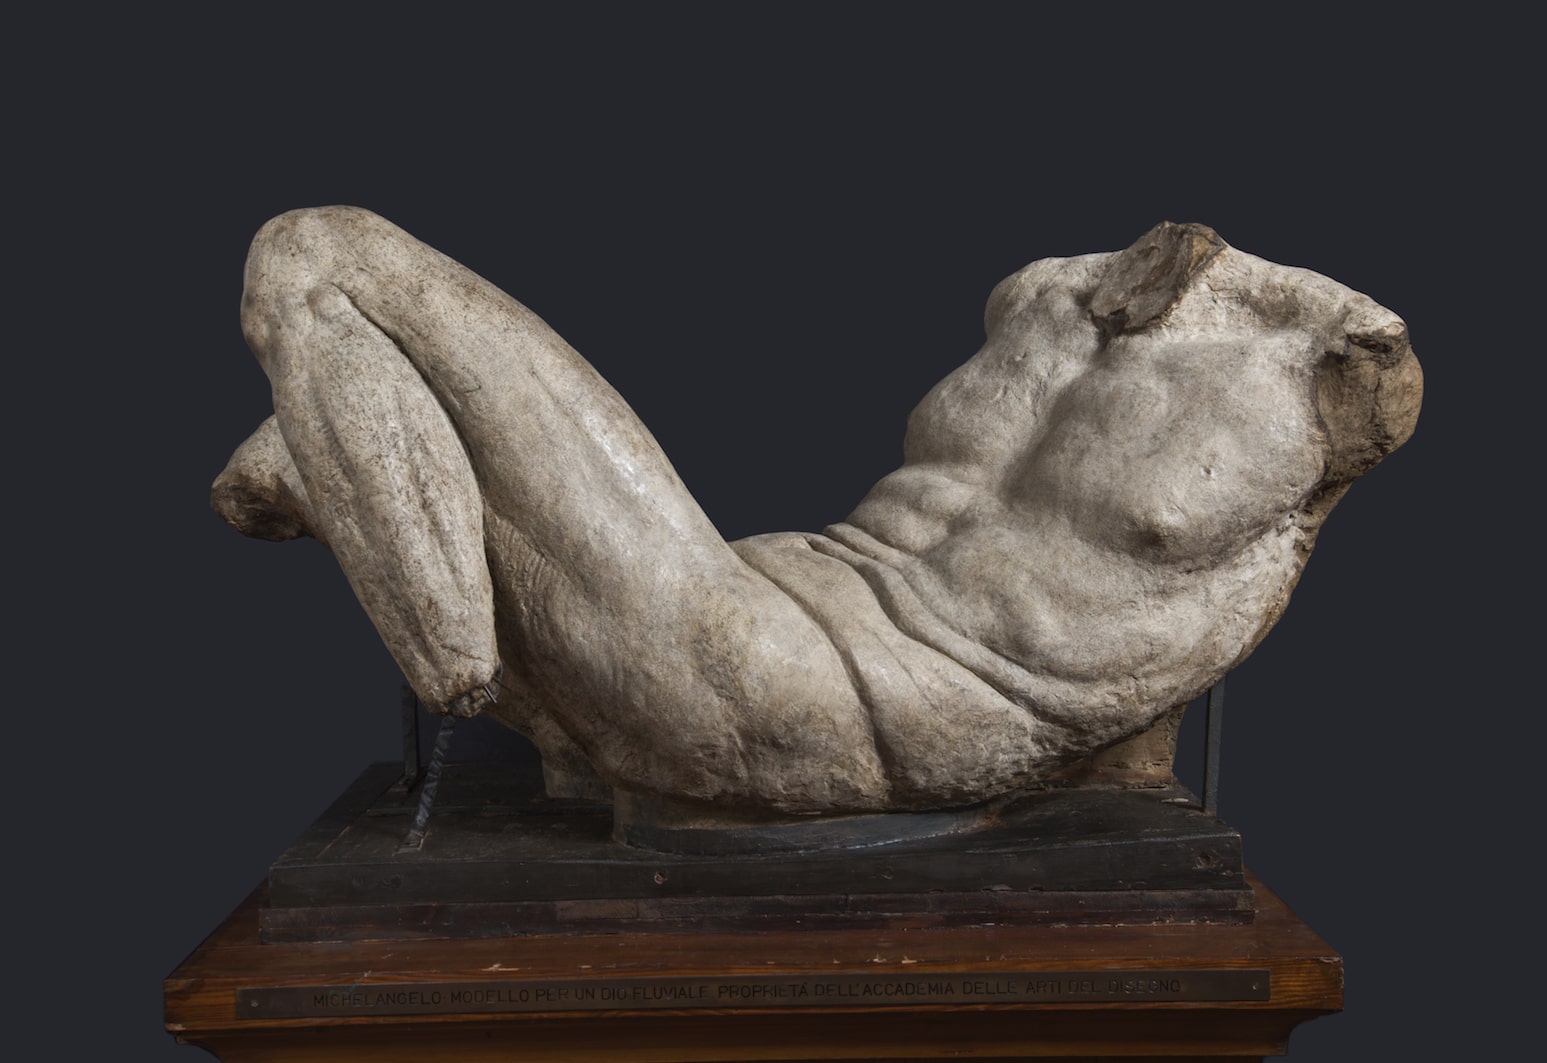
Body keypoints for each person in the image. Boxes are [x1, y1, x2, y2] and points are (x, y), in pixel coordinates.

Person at [214, 209, 1420, 815]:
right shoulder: (1056, 293)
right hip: (758, 599)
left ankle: (453, 655)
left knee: (317, 249)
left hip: (797, 692)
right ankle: (507, 674)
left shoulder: (1341, 376)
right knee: (315, 427)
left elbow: (1177, 635)